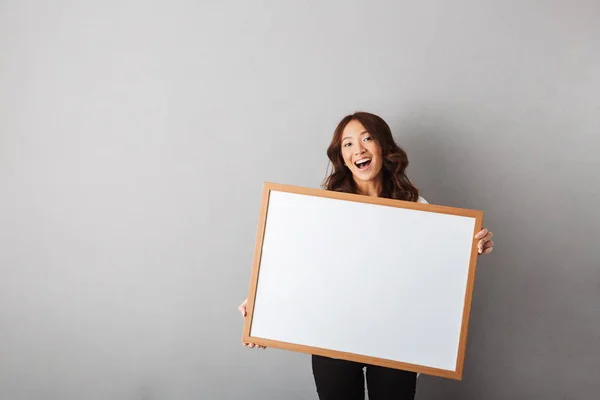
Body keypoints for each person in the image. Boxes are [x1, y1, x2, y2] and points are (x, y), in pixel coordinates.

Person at [238, 111, 495, 400]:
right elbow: (297, 265)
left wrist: (471, 247)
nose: (357, 149)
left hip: (395, 337)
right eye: (347, 144)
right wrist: (262, 303)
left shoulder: (416, 206)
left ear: (383, 147)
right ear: (342, 156)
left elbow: (432, 270)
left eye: (367, 139)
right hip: (334, 333)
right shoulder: (323, 206)